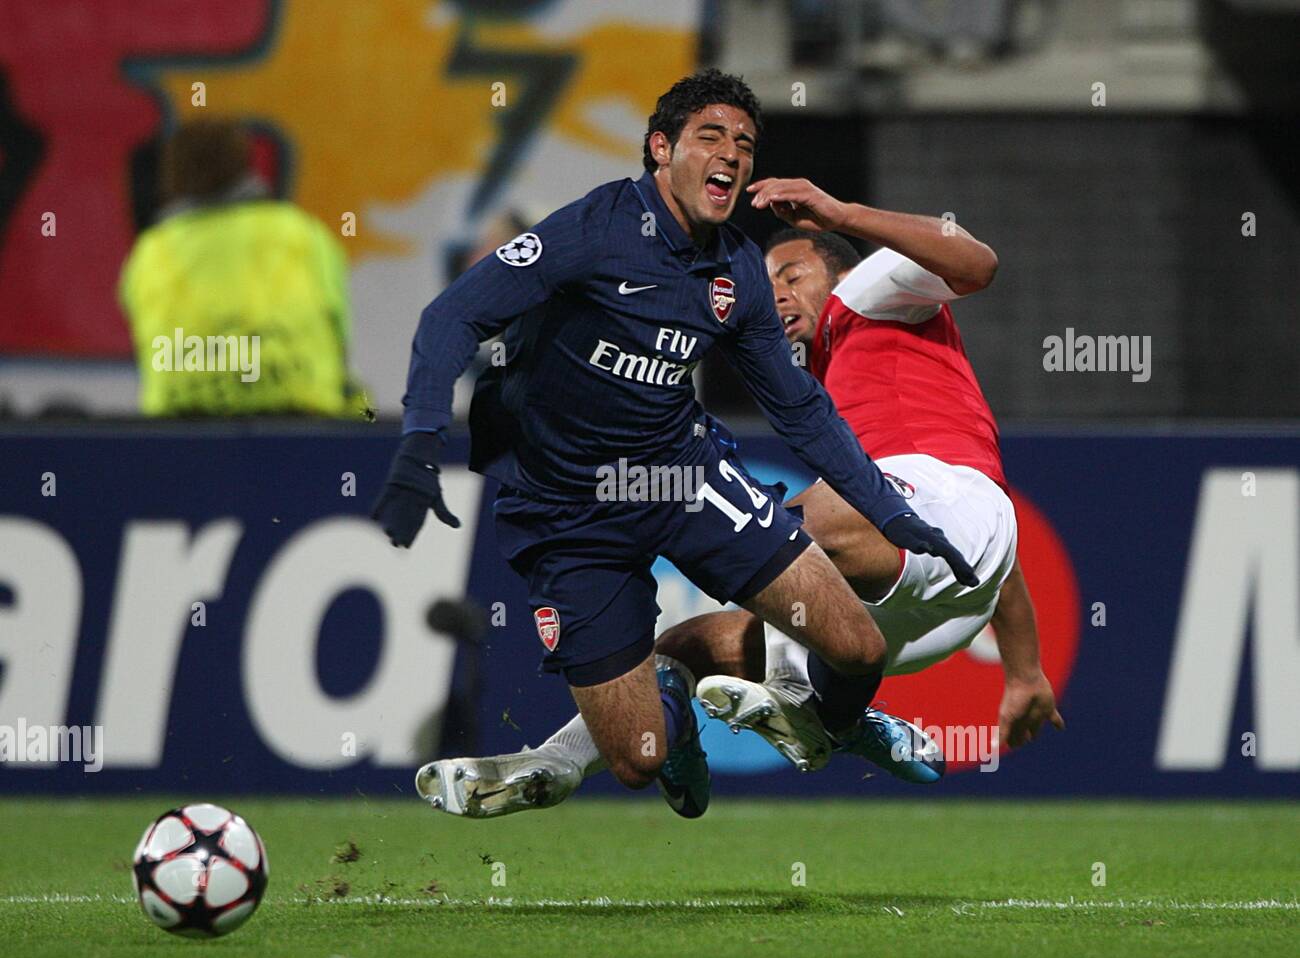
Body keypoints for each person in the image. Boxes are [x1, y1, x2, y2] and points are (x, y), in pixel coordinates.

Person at [370, 70, 977, 820]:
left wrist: (892, 516)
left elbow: (801, 410)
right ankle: (674, 722)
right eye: (711, 137)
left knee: (856, 649)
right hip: (568, 512)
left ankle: (841, 726)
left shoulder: (738, 275)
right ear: (662, 149)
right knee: (637, 761)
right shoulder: (592, 232)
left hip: (680, 478)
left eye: (746, 145)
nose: (731, 156)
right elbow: (450, 318)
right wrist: (419, 444)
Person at [429, 175, 1063, 814]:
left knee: (776, 534)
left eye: (792, 273)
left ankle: (808, 703)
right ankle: (562, 760)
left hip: (938, 515)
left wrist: (842, 211)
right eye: (767, 282)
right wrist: (1025, 670)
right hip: (938, 604)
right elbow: (981, 552)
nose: (777, 291)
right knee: (684, 647)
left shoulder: (869, 294)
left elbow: (978, 262)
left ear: (838, 269)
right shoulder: (814, 384)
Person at [119, 119, 356, 417]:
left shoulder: (150, 251)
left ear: (171, 175)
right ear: (246, 165)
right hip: (300, 423)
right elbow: (338, 334)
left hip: (183, 431)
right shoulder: (303, 234)